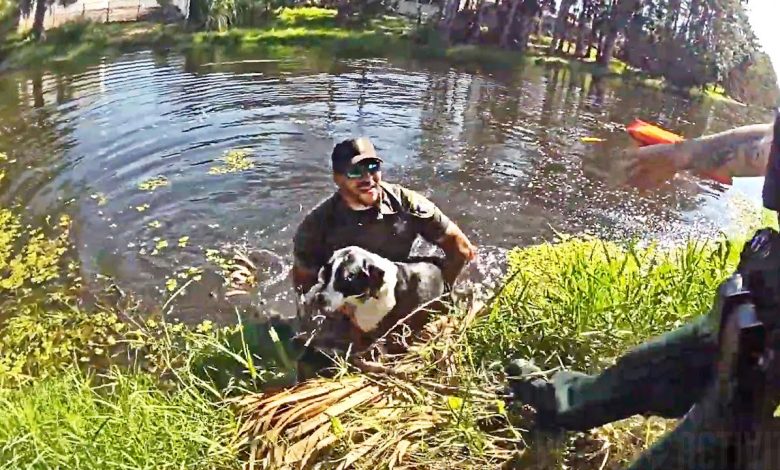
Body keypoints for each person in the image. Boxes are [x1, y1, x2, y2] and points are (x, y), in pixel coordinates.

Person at [507, 110, 780, 468]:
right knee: (659, 364)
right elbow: (767, 144)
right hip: (764, 286)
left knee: (713, 439)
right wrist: (682, 154)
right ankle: (563, 402)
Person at [290, 136, 477, 376]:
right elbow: (304, 284)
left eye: (372, 167)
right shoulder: (316, 226)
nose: (368, 178)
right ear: (338, 179)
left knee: (409, 344)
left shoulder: (407, 203)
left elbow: (461, 248)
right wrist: (335, 313)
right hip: (345, 296)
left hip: (398, 285)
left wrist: (438, 296)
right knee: (320, 360)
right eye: (356, 171)